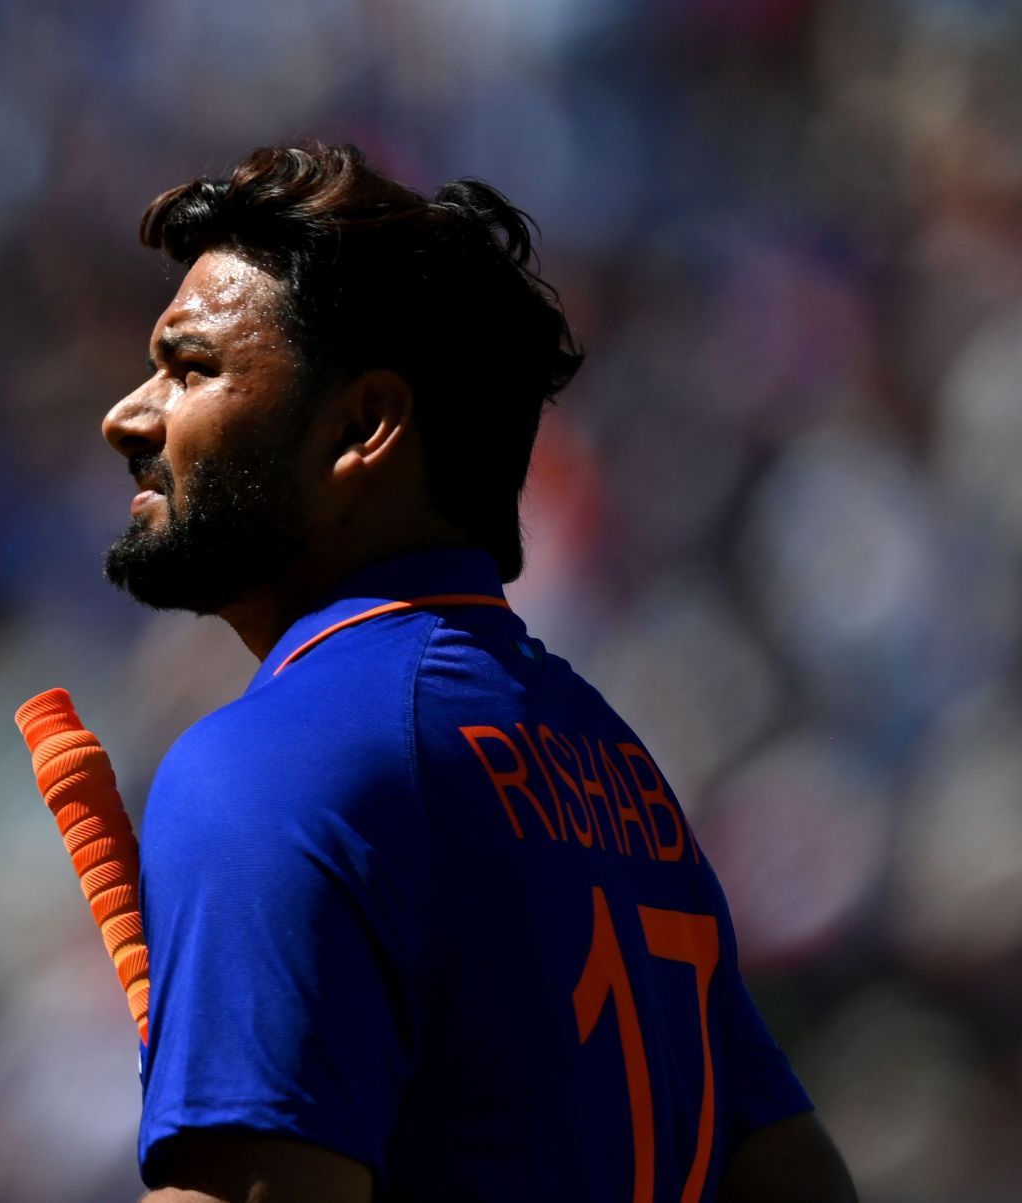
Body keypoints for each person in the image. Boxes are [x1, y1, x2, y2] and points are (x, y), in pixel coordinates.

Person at [98, 143, 855, 1203]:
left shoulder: (272, 772)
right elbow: (797, 1181)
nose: (127, 417)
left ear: (362, 427)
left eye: (190, 368)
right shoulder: (615, 768)